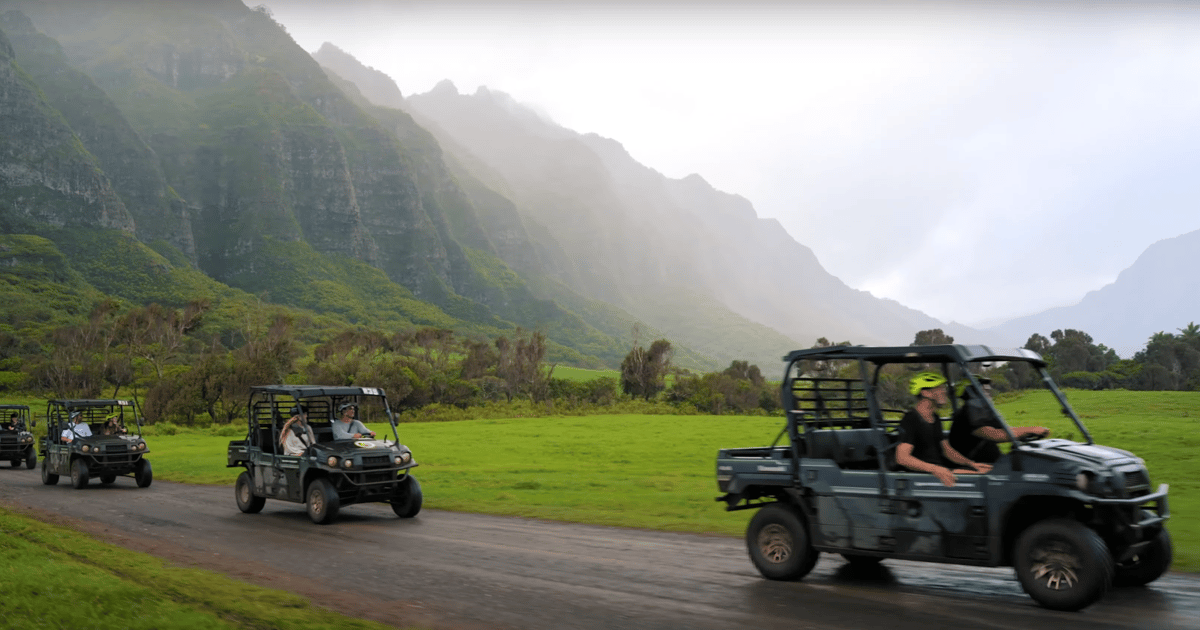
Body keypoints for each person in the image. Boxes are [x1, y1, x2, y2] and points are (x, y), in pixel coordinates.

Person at [895, 372, 991, 487]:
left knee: (988, 472)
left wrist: (972, 464)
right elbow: (902, 458)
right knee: (986, 479)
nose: (944, 391)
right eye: (939, 388)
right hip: (923, 478)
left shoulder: (935, 417)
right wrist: (935, 469)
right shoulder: (911, 419)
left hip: (939, 472)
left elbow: (946, 449)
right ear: (926, 393)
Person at [948, 376, 1049, 464]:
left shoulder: (983, 412)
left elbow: (1005, 431)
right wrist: (1030, 430)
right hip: (972, 467)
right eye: (985, 392)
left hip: (990, 464)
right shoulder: (967, 414)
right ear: (972, 393)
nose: (990, 396)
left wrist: (1023, 434)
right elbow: (995, 434)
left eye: (989, 392)